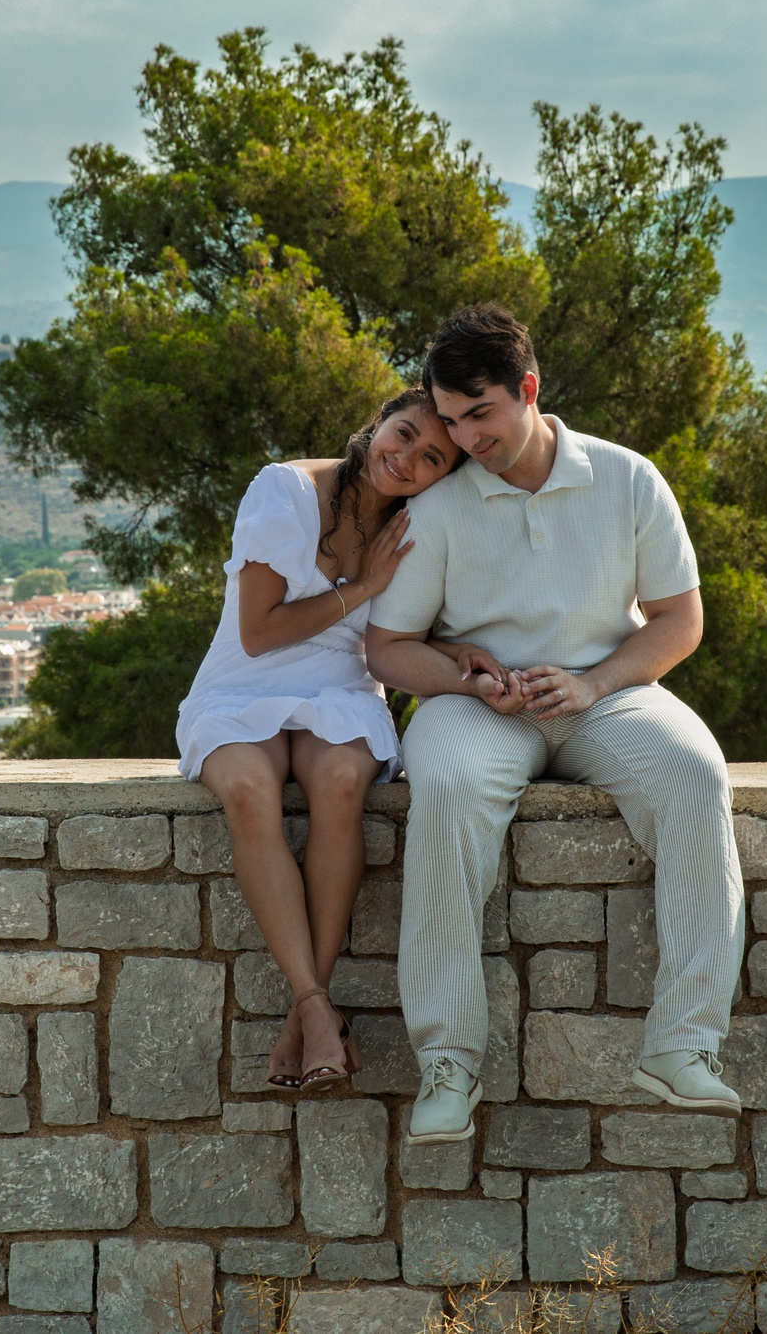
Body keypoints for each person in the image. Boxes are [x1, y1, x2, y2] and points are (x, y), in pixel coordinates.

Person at [366, 304, 745, 1143]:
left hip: (607, 695)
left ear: (528, 390)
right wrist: (466, 678)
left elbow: (680, 622)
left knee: (695, 773)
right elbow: (390, 649)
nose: (465, 439)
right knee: (453, 785)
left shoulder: (628, 479)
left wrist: (593, 682)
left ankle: (684, 1046)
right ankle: (448, 1061)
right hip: (478, 710)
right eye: (452, 420)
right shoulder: (437, 511)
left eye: (480, 414)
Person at [178, 387, 476, 1091]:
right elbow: (259, 632)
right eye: (401, 435)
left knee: (342, 783)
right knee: (249, 790)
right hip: (241, 685)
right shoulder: (284, 490)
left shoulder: (420, 525)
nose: (405, 459)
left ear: (443, 475)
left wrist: (471, 657)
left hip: (341, 689)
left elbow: (416, 630)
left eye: (431, 456)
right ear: (377, 425)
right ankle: (317, 1007)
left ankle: (305, 1017)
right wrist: (364, 583)